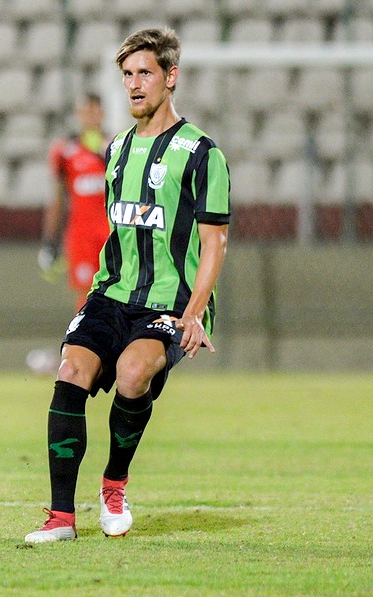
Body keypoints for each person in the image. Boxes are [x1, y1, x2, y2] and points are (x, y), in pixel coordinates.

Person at [24, 27, 230, 543]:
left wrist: (195, 312)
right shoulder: (115, 150)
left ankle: (114, 483)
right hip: (112, 292)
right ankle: (61, 518)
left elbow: (215, 244)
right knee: (71, 371)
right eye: (128, 76)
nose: (135, 85)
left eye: (145, 73)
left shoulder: (202, 153)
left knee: (134, 373)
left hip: (170, 302)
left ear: (170, 78)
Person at [38, 93, 111, 311]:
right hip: (82, 234)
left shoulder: (118, 146)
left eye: (95, 110)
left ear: (102, 113)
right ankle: (86, 343)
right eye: (86, 111)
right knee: (86, 295)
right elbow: (57, 198)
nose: (91, 116)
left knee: (118, 293)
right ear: (78, 114)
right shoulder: (65, 152)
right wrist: (50, 241)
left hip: (112, 234)